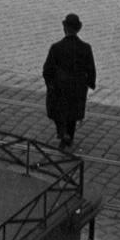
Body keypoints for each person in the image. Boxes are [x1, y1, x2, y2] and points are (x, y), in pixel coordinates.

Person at [42, 13, 97, 150]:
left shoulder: (56, 47)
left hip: (60, 87)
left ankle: (62, 132)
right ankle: (69, 136)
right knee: (72, 113)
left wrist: (50, 84)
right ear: (78, 28)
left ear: (65, 28)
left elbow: (47, 70)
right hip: (77, 87)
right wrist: (90, 83)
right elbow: (91, 68)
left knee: (58, 110)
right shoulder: (85, 48)